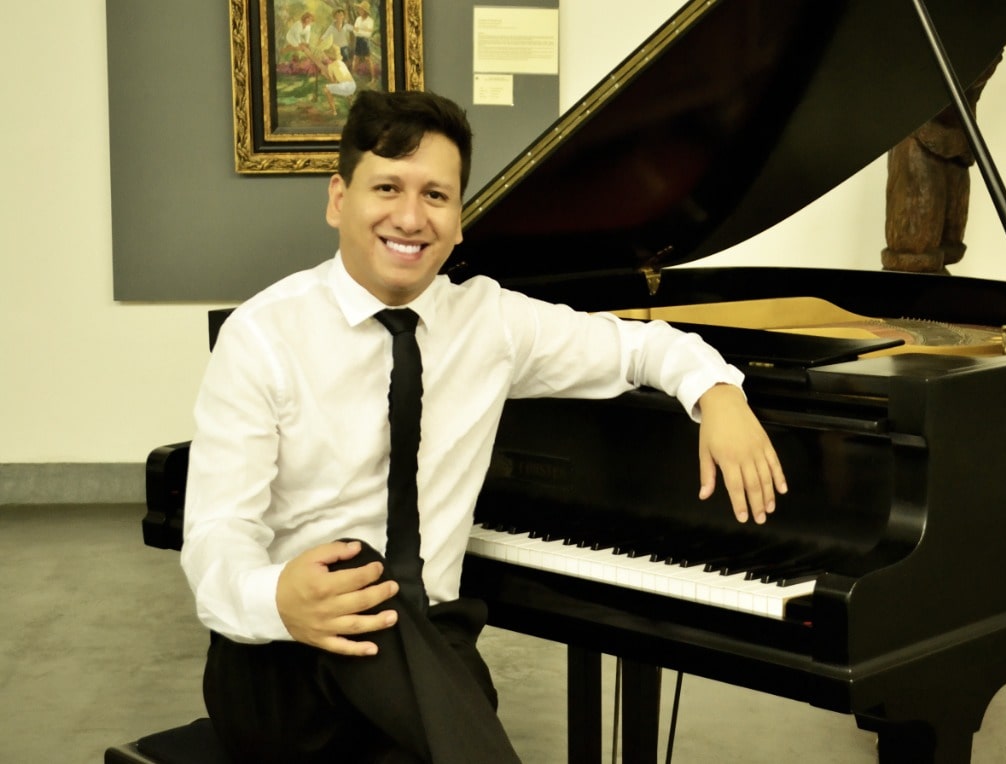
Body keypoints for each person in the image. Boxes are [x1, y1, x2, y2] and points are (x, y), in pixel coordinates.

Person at [181, 88, 788, 763]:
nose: (411, 217)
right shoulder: (263, 336)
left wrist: (718, 393)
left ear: (460, 218)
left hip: (431, 651)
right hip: (284, 668)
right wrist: (278, 598)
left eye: (436, 196)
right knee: (355, 569)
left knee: (397, 620)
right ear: (337, 199)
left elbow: (638, 347)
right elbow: (216, 537)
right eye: (387, 187)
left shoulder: (492, 322)